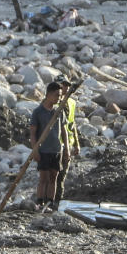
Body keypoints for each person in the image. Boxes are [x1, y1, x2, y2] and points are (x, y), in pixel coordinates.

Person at [30, 81, 70, 212]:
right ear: (49, 95)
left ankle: (50, 203)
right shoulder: (38, 112)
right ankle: (40, 202)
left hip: (56, 149)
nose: (59, 98)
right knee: (44, 178)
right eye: (57, 95)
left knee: (54, 177)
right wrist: (35, 149)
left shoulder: (59, 111)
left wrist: (67, 150)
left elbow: (64, 131)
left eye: (60, 96)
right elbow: (33, 132)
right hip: (44, 150)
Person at [53, 75, 80, 210]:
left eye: (67, 85)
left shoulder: (71, 103)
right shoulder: (53, 103)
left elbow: (72, 123)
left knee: (62, 176)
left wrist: (76, 143)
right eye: (63, 85)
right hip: (56, 144)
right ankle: (50, 201)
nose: (66, 88)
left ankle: (57, 202)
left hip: (68, 142)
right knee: (54, 175)